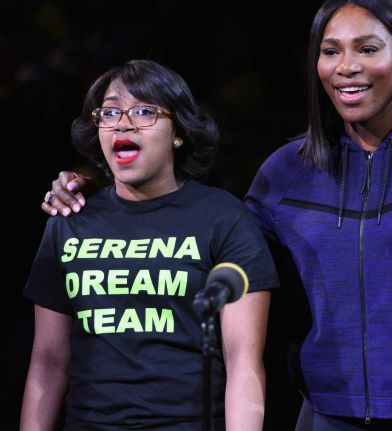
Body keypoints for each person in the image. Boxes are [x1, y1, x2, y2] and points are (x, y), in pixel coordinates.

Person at [40, 1, 392, 428]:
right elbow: (207, 235)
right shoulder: (286, 170)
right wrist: (97, 183)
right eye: (331, 50)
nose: (346, 66)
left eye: (367, 48)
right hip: (323, 414)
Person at [21, 59, 279, 430]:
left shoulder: (225, 220)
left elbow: (242, 360)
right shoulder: (70, 223)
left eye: (144, 111)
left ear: (179, 132)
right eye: (109, 112)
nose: (123, 123)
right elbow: (48, 361)